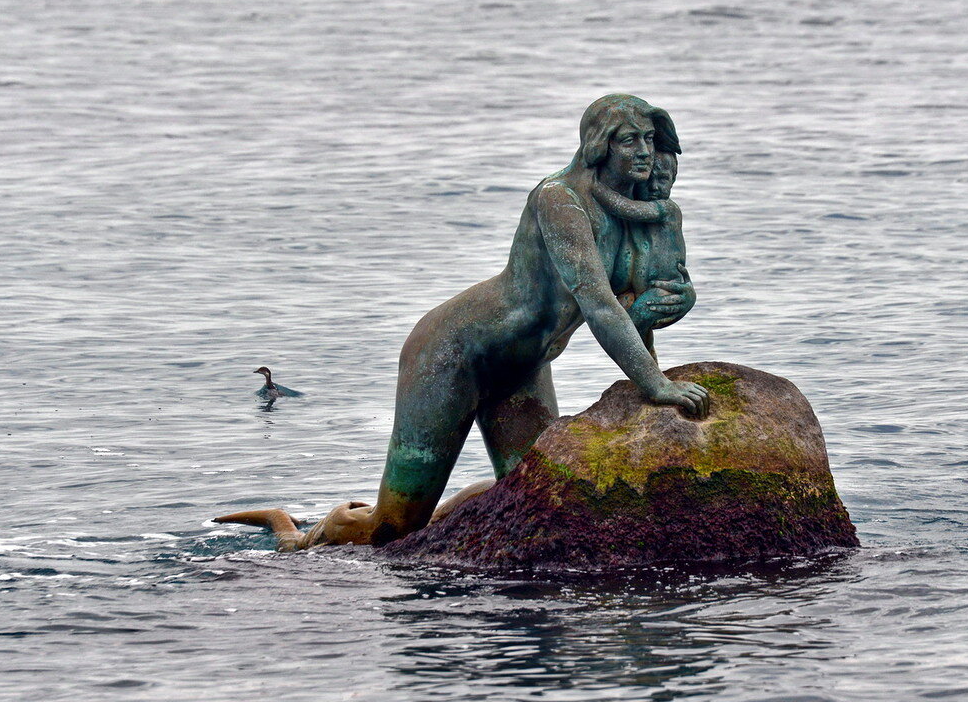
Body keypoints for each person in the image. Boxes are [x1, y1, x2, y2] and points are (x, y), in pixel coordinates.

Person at [214, 94, 709, 550]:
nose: (643, 151)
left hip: (523, 366)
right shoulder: (560, 200)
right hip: (452, 355)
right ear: (598, 146)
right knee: (394, 529)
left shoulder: (641, 212)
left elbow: (629, 307)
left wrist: (665, 313)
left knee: (529, 492)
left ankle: (446, 524)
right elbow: (599, 305)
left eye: (649, 139)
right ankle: (303, 534)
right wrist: (653, 385)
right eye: (628, 141)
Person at [591, 150, 689, 361]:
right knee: (633, 324)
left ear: (673, 180)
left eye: (662, 179)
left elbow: (625, 208)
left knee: (631, 327)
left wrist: (593, 186)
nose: (654, 187)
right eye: (648, 180)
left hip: (664, 289)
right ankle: (650, 361)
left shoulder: (667, 209)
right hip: (638, 293)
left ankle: (648, 372)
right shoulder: (632, 221)